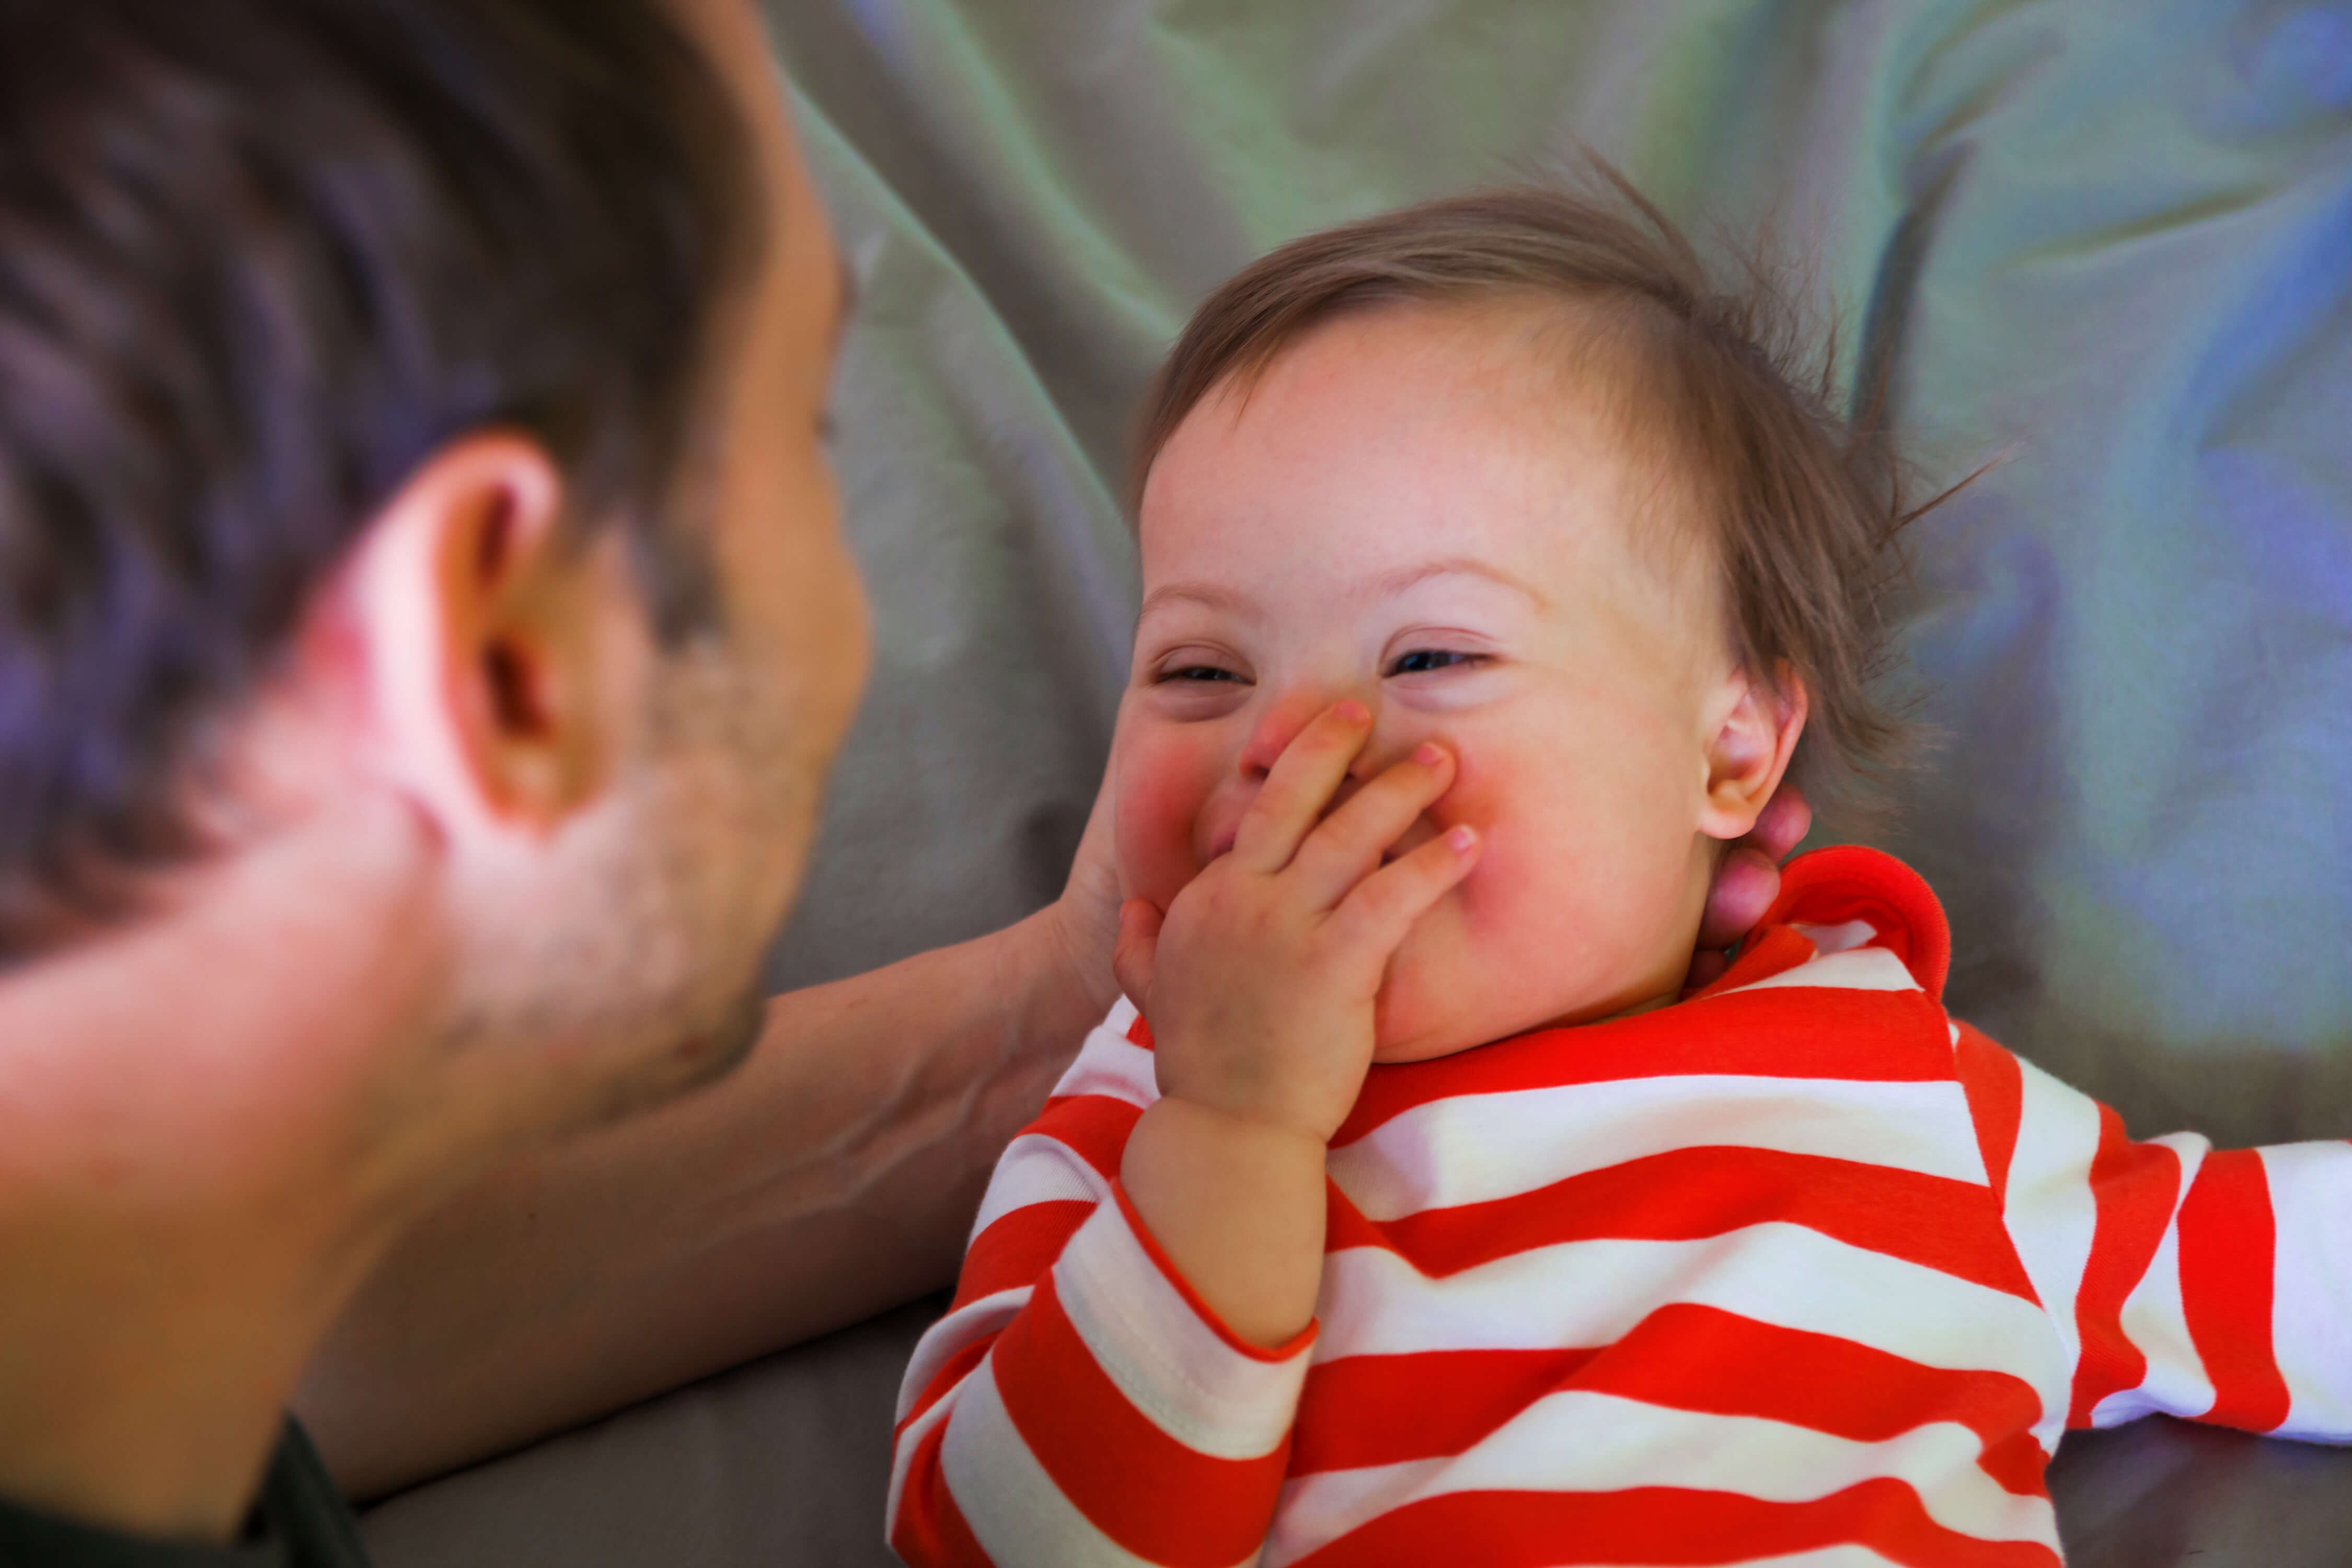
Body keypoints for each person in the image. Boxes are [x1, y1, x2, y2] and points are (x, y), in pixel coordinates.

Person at [0, 0, 1805, 1560]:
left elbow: (247, 1344)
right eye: (810, 432)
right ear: (496, 659)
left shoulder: (117, 1356)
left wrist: (1072, 999)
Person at [885, 186, 2352, 1567]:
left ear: (1726, 753)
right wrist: (1235, 1128)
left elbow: (2255, 1267)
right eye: (1199, 668)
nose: (1290, 743)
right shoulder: (1137, 1117)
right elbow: (1016, 1542)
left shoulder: (1894, 1094)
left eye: (1431, 657)